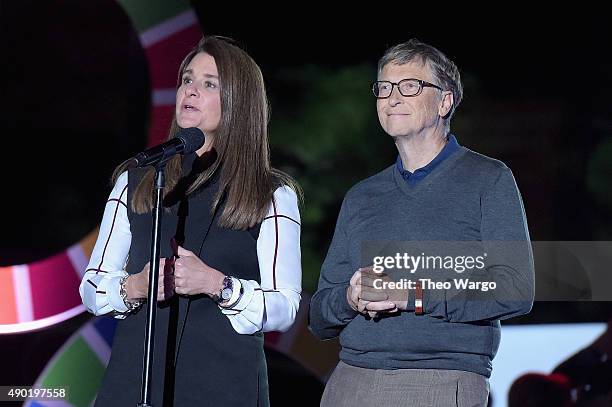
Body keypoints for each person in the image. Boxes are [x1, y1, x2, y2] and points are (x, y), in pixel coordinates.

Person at [309, 38, 535, 407]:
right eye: (384, 88)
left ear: (445, 101)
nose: (392, 98)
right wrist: (350, 298)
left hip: (440, 379)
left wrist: (412, 294)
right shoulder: (361, 197)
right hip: (349, 380)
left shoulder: (488, 179)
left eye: (410, 86)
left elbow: (515, 287)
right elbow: (319, 316)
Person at [79, 35, 302, 406]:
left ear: (237, 102)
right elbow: (92, 286)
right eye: (187, 79)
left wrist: (217, 284)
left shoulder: (270, 193)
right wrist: (136, 285)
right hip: (134, 385)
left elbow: (284, 307)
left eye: (208, 83)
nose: (191, 91)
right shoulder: (137, 178)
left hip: (222, 387)